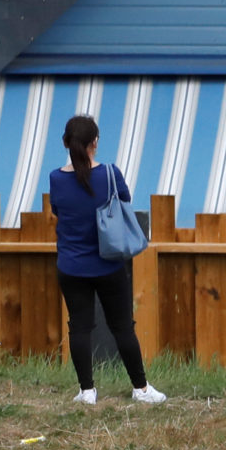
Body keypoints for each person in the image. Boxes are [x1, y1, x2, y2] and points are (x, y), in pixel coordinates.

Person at [47, 116, 164, 407]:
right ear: (95, 144)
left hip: (71, 265)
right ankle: (140, 388)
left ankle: (87, 392)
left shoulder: (55, 178)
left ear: (65, 143)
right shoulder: (110, 173)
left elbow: (58, 210)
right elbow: (124, 201)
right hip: (108, 263)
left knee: (79, 327)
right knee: (123, 326)